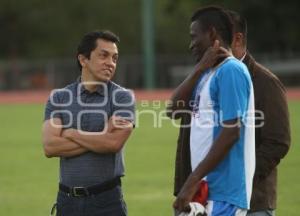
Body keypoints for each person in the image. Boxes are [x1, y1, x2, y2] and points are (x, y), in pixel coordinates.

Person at [167, 6, 255, 215]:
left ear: (212, 34)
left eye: (194, 37)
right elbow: (173, 110)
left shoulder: (231, 70)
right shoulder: (207, 74)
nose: (191, 45)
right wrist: (199, 68)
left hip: (225, 193)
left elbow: (231, 132)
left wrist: (191, 181)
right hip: (207, 192)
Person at [42, 30, 135, 216]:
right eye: (104, 56)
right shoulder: (59, 97)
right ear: (83, 59)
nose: (111, 63)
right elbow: (50, 147)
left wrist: (69, 133)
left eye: (115, 58)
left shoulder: (123, 98)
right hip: (66, 201)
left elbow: (113, 143)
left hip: (107, 202)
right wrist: (102, 136)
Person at [228, 11, 291, 216]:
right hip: (217, 200)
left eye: (216, 38)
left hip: (254, 203)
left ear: (237, 39)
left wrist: (242, 177)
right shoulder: (212, 79)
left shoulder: (266, 82)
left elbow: (278, 141)